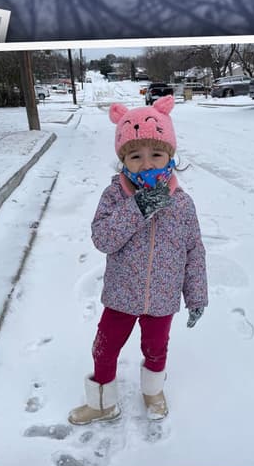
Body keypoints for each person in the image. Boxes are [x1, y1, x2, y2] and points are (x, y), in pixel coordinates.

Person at [68, 94, 208, 424]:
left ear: (170, 155)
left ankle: (153, 392)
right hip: (121, 295)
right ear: (123, 160)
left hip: (162, 298)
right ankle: (102, 403)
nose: (146, 164)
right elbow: (103, 239)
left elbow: (194, 251)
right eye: (135, 156)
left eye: (156, 154)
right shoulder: (114, 196)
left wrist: (196, 296)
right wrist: (139, 207)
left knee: (156, 348)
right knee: (104, 347)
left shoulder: (182, 204)